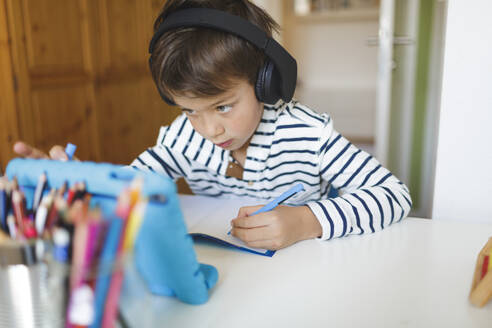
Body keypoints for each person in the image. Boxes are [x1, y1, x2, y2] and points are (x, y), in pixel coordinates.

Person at [13, 0, 412, 251]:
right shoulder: (180, 139)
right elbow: (129, 185)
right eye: (189, 110)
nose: (209, 130)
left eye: (222, 107)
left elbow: (394, 195)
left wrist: (306, 221)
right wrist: (69, 184)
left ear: (265, 82)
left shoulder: (309, 135)